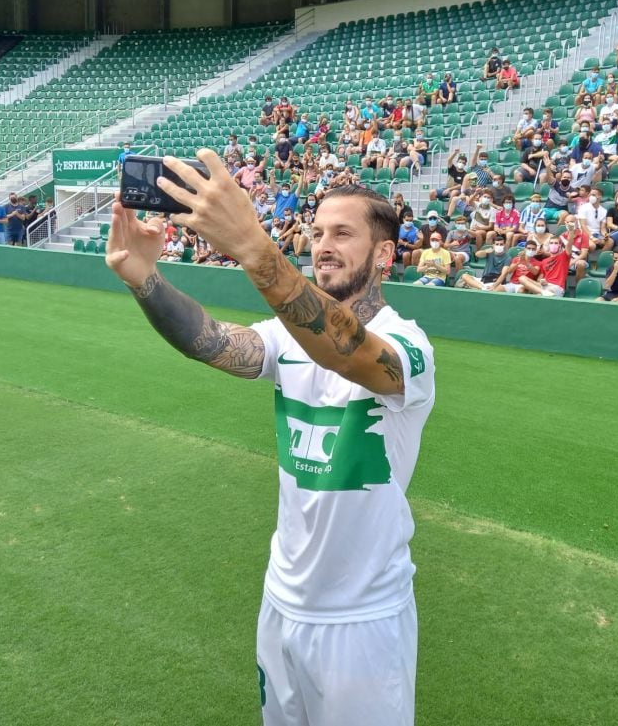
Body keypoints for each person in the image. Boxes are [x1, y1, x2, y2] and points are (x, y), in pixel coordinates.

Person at [106, 153, 434, 726]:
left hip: (362, 620)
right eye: (317, 231)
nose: (323, 244)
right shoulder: (287, 338)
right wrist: (145, 279)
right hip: (282, 602)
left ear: (383, 254)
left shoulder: (408, 350)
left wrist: (255, 247)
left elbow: (348, 351)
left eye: (343, 233)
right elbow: (210, 340)